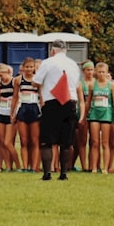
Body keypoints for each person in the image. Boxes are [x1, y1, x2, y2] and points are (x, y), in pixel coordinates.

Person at [32, 39, 82, 180]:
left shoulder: (47, 62)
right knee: (66, 142)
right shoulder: (73, 64)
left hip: (52, 102)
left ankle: (47, 173)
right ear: (65, 50)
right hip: (70, 102)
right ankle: (64, 173)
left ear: (52, 51)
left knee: (47, 140)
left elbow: (36, 81)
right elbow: (76, 83)